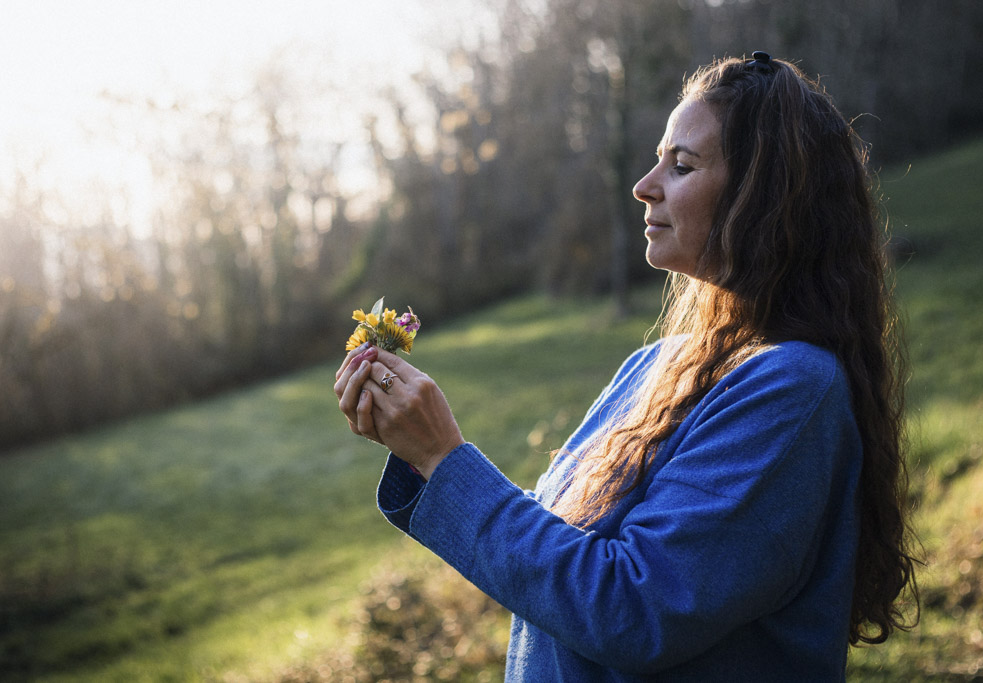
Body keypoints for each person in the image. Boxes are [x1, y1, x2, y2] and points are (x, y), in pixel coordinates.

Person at [334, 52, 918, 681]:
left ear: (765, 196)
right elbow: (563, 554)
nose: (644, 185)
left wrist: (444, 459)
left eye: (682, 165)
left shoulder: (794, 389)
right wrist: (420, 448)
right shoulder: (654, 366)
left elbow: (633, 610)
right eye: (657, 158)